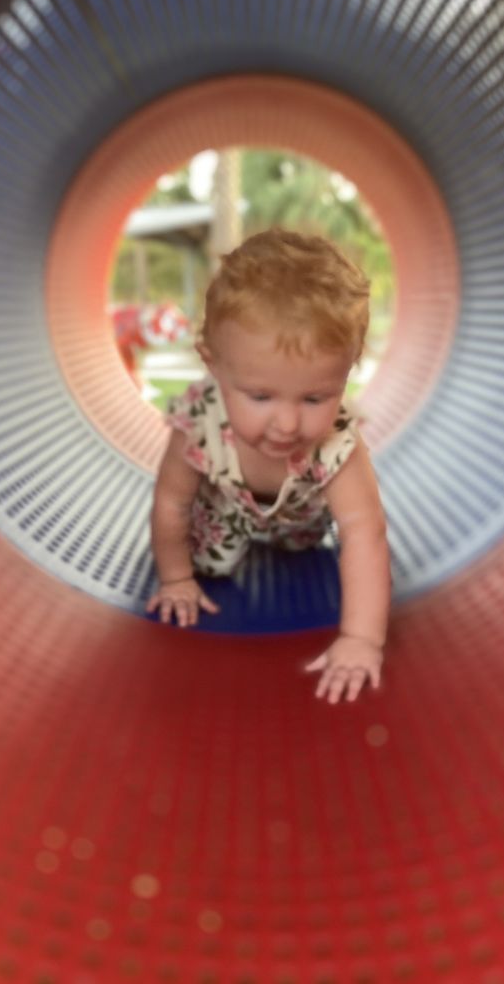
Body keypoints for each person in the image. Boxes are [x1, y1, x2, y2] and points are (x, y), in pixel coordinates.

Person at [146, 229, 390, 705]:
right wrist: (176, 578)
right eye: (260, 396)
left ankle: (286, 539)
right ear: (214, 366)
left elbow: (364, 532)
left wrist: (362, 640)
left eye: (315, 396)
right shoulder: (200, 421)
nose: (287, 423)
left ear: (349, 369)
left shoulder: (337, 439)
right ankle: (211, 557)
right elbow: (173, 501)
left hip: (303, 521)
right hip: (225, 512)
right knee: (211, 565)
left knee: (305, 550)